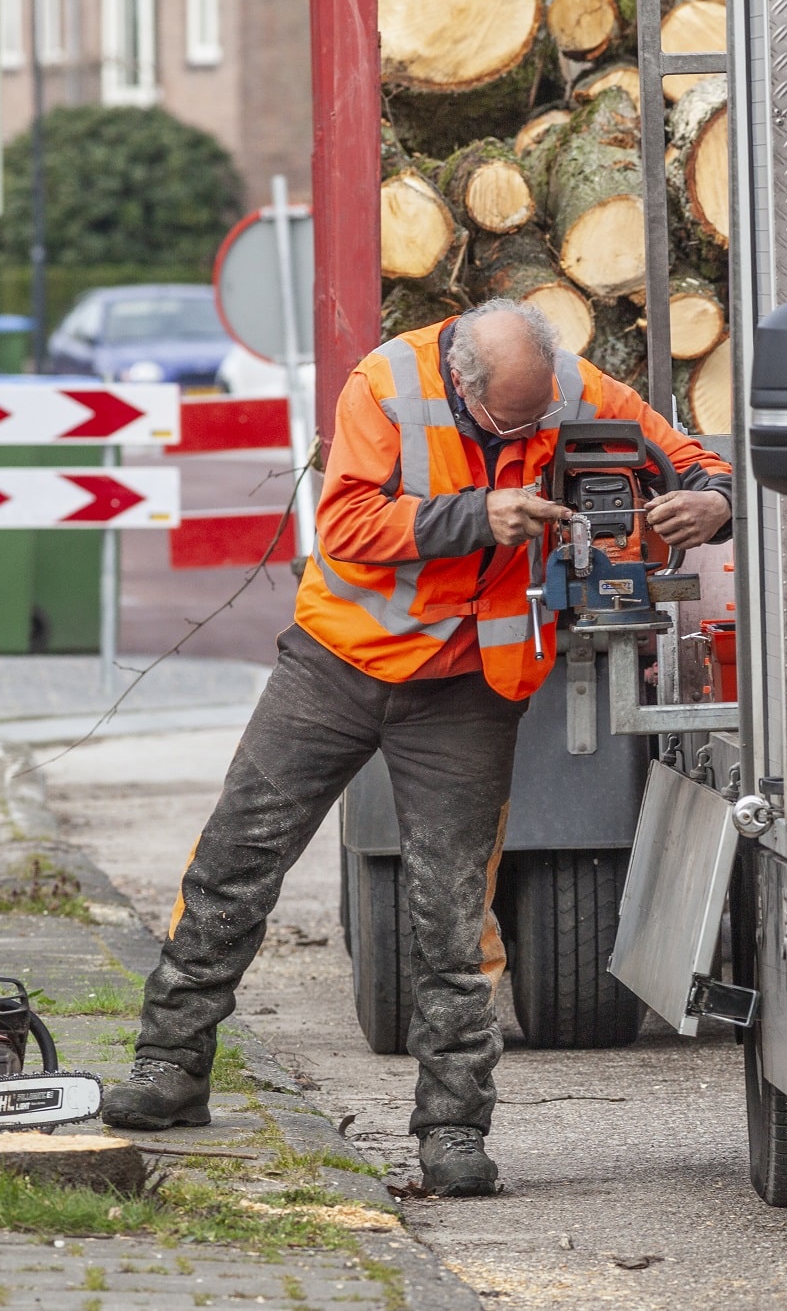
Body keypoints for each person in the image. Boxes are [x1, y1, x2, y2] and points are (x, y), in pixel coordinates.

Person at [103, 299, 733, 1195]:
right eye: (510, 423)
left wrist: (709, 502)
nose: (533, 430)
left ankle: (453, 1130)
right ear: (466, 384)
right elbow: (351, 526)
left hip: (470, 689)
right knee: (235, 859)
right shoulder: (386, 385)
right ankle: (170, 1066)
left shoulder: (568, 387)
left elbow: (698, 458)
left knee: (453, 918)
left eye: (540, 417)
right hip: (338, 665)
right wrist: (482, 514)